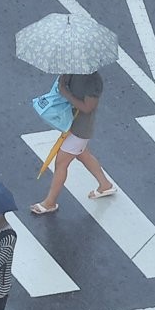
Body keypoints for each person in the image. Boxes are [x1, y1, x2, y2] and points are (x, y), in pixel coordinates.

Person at [30, 72, 117, 214]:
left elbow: (88, 107)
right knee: (82, 154)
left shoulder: (92, 81)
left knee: (61, 163)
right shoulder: (71, 70)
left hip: (80, 129)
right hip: (71, 124)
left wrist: (65, 92)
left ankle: (49, 203)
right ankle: (105, 185)